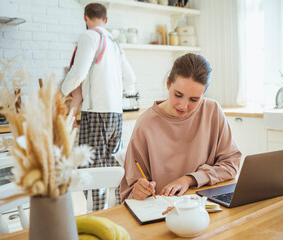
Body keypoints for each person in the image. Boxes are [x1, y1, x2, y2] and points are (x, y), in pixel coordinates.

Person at [120, 53, 241, 201]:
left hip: (206, 207)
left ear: (204, 94)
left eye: (194, 99)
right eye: (178, 95)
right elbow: (130, 190)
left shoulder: (212, 111)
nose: (183, 106)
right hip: (164, 211)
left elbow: (231, 164)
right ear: (168, 83)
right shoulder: (145, 124)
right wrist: (139, 190)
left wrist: (189, 179)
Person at [61, 3, 136, 210]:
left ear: (84, 17)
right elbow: (130, 78)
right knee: (114, 169)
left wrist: (61, 93)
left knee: (92, 172)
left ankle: (97, 217)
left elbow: (78, 73)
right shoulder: (114, 42)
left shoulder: (89, 37)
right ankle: (120, 213)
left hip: (95, 114)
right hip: (115, 114)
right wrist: (111, 90)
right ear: (106, 20)